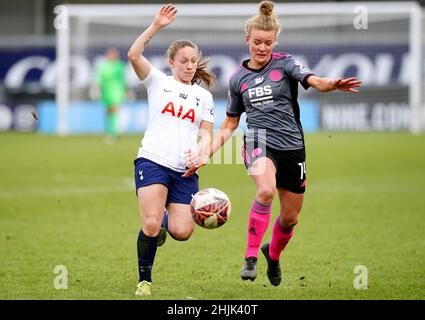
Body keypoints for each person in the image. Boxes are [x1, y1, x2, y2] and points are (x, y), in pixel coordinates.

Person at [184, 1, 361, 286]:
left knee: (290, 219)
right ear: (247, 40)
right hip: (258, 139)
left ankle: (273, 254)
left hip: (292, 146)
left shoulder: (286, 63)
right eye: (257, 42)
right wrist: (207, 152)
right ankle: (250, 257)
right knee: (265, 190)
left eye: (267, 43)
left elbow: (313, 80)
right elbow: (230, 123)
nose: (262, 48)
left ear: (274, 41)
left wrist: (332, 83)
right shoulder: (238, 79)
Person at [127, 4, 215, 296]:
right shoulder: (157, 81)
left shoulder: (203, 96)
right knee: (150, 225)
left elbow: (206, 133)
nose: (190, 66)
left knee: (182, 232)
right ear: (171, 62)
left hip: (184, 169)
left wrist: (203, 153)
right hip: (152, 160)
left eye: (193, 61)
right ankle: (145, 280)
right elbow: (133, 55)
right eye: (184, 61)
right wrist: (156, 26)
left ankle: (162, 218)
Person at [93, 47, 126, 143]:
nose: (113, 56)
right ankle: (110, 131)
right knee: (108, 112)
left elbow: (123, 80)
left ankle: (114, 133)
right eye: (111, 54)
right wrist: (96, 89)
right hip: (106, 91)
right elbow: (98, 78)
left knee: (114, 110)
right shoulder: (103, 66)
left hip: (116, 90)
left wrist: (125, 91)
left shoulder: (119, 65)